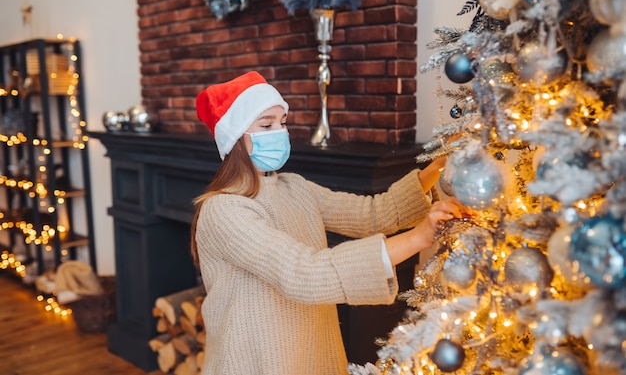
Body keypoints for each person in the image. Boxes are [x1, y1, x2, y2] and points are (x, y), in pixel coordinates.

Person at [191, 71, 468, 375]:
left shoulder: (294, 187)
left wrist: (439, 165)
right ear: (234, 138)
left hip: (313, 353)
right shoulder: (223, 210)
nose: (280, 132)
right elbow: (303, 273)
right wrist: (416, 238)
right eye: (266, 124)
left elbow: (372, 214)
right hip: (255, 363)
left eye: (282, 123)